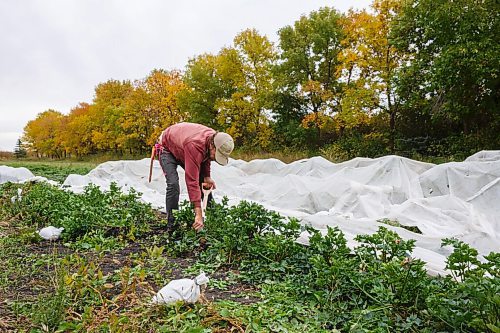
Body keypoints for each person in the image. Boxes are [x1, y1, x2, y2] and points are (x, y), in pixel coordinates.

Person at [151, 122, 234, 231]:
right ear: (212, 145)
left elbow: (207, 157)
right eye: (217, 154)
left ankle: (215, 220)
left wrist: (207, 176)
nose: (215, 158)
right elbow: (191, 181)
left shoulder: (215, 138)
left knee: (203, 181)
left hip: (182, 146)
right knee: (173, 184)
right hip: (167, 148)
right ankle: (173, 226)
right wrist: (198, 213)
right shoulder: (195, 144)